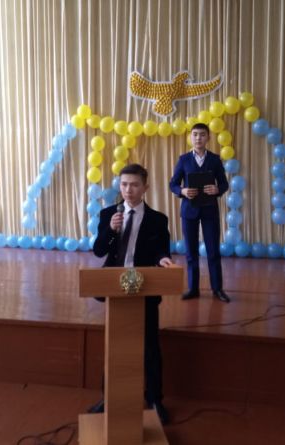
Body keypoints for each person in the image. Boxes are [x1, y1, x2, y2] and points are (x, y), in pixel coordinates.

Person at [88, 163, 173, 425]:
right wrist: (110, 230)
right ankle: (108, 398)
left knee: (150, 347)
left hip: (145, 286)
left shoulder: (158, 219)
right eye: (124, 184)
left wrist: (163, 259)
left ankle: (155, 399)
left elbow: (161, 251)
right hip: (114, 286)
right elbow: (99, 250)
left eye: (134, 185)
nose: (128, 190)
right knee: (114, 344)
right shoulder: (108, 214)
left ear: (145, 187)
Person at [169, 122, 230, 302]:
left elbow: (224, 184)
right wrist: (182, 191)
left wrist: (217, 189)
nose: (198, 138)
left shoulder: (215, 159)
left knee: (213, 252)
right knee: (191, 253)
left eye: (202, 134)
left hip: (210, 211)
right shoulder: (183, 160)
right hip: (189, 211)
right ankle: (193, 288)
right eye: (195, 134)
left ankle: (217, 289)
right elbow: (173, 184)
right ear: (190, 137)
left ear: (208, 137)